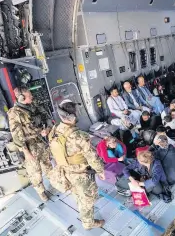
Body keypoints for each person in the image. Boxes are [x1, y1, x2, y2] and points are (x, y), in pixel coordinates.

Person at [48, 99, 106, 230]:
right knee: (87, 200)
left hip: (64, 172)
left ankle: (82, 210)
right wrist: (101, 171)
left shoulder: (55, 130)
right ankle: (88, 223)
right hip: (80, 175)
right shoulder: (79, 136)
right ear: (72, 116)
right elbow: (92, 157)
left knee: (78, 196)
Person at [8, 86, 53, 201]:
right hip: (29, 146)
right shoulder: (14, 113)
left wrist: (47, 129)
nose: (32, 97)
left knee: (47, 164)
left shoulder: (34, 105)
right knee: (35, 171)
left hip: (41, 141)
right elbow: (16, 135)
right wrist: (26, 152)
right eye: (29, 96)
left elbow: (46, 116)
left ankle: (54, 182)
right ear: (22, 98)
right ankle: (41, 192)